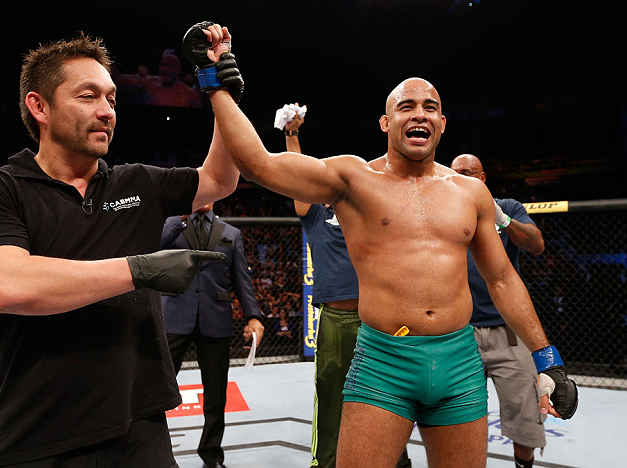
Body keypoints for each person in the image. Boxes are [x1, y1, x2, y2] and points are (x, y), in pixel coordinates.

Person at [183, 22, 578, 468]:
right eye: (406, 106)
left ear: (442, 124)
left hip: (459, 361)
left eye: (431, 107)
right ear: (386, 122)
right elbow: (257, 164)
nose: (420, 114)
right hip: (384, 361)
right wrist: (215, 85)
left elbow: (503, 278)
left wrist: (549, 360)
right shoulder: (354, 179)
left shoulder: (471, 193)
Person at [0, 31, 244, 468]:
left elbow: (220, 180)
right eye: (88, 97)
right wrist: (139, 270)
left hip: (140, 426)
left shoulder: (137, 182)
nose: (106, 111)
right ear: (39, 106)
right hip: (40, 433)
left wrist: (220, 94)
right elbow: (7, 285)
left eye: (110, 98)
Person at [283, 107, 411, 468]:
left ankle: (396, 461)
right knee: (330, 394)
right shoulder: (313, 214)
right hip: (336, 319)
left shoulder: (366, 210)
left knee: (388, 396)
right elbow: (295, 174)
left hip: (378, 318)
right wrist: (291, 135)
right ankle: (324, 463)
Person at [450, 154, 547, 468]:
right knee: (457, 416)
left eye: (466, 173)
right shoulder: (442, 210)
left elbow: (536, 244)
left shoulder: (509, 206)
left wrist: (501, 218)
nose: (459, 178)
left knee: (526, 416)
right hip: (459, 331)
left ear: (482, 177)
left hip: (508, 330)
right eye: (454, 174)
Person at [160, 203, 265, 468]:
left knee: (216, 394)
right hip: (174, 314)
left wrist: (253, 316)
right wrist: (180, 215)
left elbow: (242, 279)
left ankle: (212, 455)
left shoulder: (230, 232)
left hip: (215, 317)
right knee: (159, 387)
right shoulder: (171, 223)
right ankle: (153, 452)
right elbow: (153, 247)